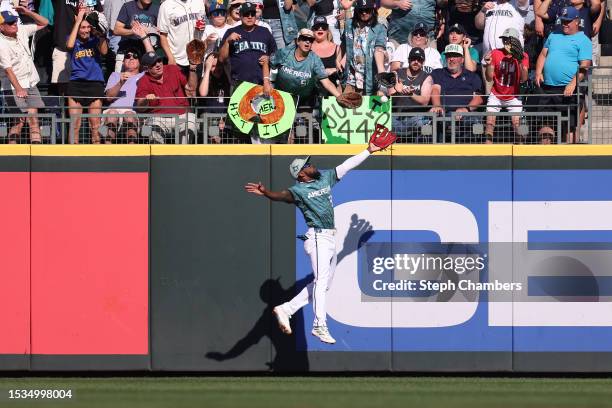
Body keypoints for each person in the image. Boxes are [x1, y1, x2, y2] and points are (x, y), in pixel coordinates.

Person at [244, 139, 384, 344]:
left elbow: (347, 165)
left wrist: (368, 151)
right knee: (320, 282)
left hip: (329, 238)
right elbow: (281, 196)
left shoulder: (324, 178)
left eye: (309, 163)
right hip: (317, 237)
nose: (312, 165)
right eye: (307, 165)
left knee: (324, 284)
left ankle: (286, 308)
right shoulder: (298, 191)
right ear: (301, 174)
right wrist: (266, 193)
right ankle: (320, 325)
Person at [535, 6, 591, 142]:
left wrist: (573, 83)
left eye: (568, 21)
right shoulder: (554, 35)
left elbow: (585, 66)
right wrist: (538, 72)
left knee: (570, 127)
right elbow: (543, 54)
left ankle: (569, 159)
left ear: (577, 21)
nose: (564, 24)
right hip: (548, 88)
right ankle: (544, 158)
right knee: (545, 126)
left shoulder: (584, 40)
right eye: (563, 21)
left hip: (568, 90)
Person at [0, 8, 48, 143]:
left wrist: (27, 12)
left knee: (34, 120)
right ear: (1, 27)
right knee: (18, 122)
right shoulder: (1, 44)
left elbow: (45, 22)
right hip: (13, 86)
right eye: (10, 23)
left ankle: (37, 154)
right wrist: (19, 89)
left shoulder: (20, 30)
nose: (14, 24)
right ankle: (13, 154)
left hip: (31, 82)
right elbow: (8, 70)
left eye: (14, 21)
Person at [103, 25, 155, 143]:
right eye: (128, 56)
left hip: (133, 112)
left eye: (135, 56)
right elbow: (109, 98)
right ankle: (107, 152)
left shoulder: (143, 75)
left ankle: (132, 153)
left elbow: (153, 58)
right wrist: (120, 83)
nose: (131, 58)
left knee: (129, 114)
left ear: (140, 61)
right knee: (112, 113)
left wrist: (144, 37)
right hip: (113, 111)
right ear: (123, 61)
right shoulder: (115, 75)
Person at [135, 51, 199, 143]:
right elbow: (140, 108)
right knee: (153, 128)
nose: (158, 65)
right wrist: (146, 99)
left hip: (182, 115)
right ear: (146, 68)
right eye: (153, 64)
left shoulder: (173, 69)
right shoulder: (143, 80)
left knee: (190, 124)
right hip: (159, 118)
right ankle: (158, 156)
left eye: (159, 61)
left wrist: (192, 69)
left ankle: (184, 154)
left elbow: (191, 91)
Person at [66, 10, 108, 144]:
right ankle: (72, 155)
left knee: (95, 123)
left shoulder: (95, 39)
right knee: (75, 124)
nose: (86, 30)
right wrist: (78, 20)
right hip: (76, 84)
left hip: (94, 83)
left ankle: (96, 153)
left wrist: (101, 34)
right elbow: (69, 45)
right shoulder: (72, 39)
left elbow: (104, 51)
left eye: (88, 27)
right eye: (83, 27)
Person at [270, 28, 342, 106]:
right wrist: (267, 81)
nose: (308, 42)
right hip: (281, 97)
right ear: (297, 41)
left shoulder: (315, 59)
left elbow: (326, 82)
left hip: (303, 100)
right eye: (304, 39)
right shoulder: (284, 53)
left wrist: (340, 97)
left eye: (310, 40)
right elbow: (267, 63)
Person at [483, 27, 529, 143]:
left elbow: (524, 78)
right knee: (489, 124)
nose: (506, 43)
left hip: (514, 95)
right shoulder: (496, 53)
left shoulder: (523, 56)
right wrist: (488, 64)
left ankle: (520, 149)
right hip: (496, 93)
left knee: (517, 125)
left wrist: (518, 61)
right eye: (504, 39)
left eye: (509, 40)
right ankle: (487, 150)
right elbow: (489, 78)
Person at [430, 43, 484, 142]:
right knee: (434, 119)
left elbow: (479, 98)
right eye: (449, 56)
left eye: (455, 56)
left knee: (475, 120)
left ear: (462, 59)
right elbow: (435, 89)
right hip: (444, 112)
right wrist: (437, 106)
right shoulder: (437, 73)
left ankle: (472, 151)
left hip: (467, 113)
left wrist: (466, 109)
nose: (452, 59)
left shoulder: (472, 76)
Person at [219, 1, 276, 90]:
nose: (249, 17)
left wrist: (269, 58)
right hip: (239, 84)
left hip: (261, 84)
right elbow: (222, 59)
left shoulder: (265, 31)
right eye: (246, 14)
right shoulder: (231, 32)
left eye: (252, 14)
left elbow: (275, 55)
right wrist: (227, 41)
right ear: (240, 15)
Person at [475, 0, 529, 92]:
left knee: (511, 98)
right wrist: (483, 10)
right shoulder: (491, 4)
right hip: (489, 60)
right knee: (491, 98)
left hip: (510, 61)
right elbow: (478, 25)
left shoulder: (517, 4)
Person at [51, 0, 102, 96]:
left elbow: (101, 16)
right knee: (63, 87)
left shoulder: (93, 1)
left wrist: (90, 14)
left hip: (87, 46)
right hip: (63, 47)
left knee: (85, 86)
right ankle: (64, 110)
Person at [339, 0, 387, 95]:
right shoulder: (349, 24)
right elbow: (344, 42)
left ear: (373, 10)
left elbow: (379, 48)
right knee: (344, 104)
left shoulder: (380, 27)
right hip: (350, 77)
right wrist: (338, 59)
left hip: (369, 78)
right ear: (357, 10)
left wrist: (381, 72)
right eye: (361, 10)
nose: (364, 13)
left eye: (367, 10)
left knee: (370, 107)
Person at [389, 47, 434, 142]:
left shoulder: (427, 77)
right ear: (408, 60)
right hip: (396, 115)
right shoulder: (396, 74)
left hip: (416, 116)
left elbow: (425, 101)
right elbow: (390, 95)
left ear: (423, 62)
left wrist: (410, 94)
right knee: (384, 122)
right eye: (413, 59)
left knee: (425, 124)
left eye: (419, 60)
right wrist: (398, 92)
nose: (416, 62)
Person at [157, 0, 206, 70]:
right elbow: (163, 35)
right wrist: (170, 57)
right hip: (177, 59)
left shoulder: (199, 2)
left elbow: (202, 22)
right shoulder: (166, 5)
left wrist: (203, 26)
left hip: (197, 56)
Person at [112, 0, 159, 72]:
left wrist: (152, 30)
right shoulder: (127, 7)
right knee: (120, 80)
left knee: (144, 82)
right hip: (126, 54)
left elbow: (160, 32)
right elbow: (116, 30)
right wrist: (134, 31)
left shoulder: (157, 9)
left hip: (145, 55)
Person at [311, 15, 342, 91]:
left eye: (323, 27)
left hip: (332, 93)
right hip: (313, 90)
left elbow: (341, 72)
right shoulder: (308, 47)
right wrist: (324, 72)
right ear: (312, 30)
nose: (320, 29)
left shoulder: (337, 48)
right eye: (317, 27)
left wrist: (334, 70)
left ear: (328, 30)